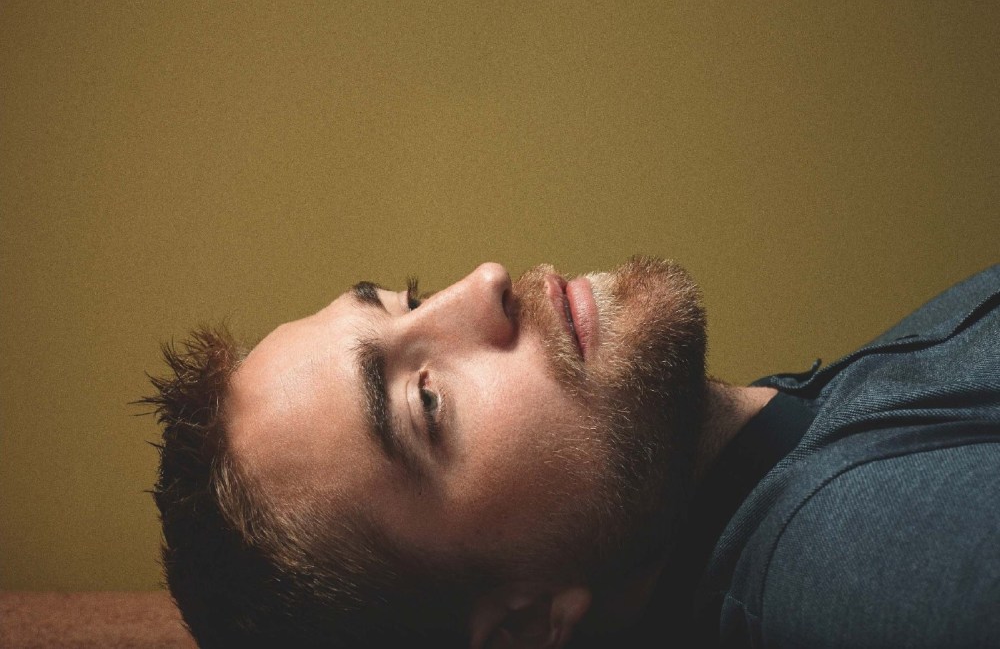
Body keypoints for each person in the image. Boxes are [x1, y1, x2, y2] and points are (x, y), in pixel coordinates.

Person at [143, 257, 1000, 648]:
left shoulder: (769, 452)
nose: (484, 284)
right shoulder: (866, 564)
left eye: (406, 300)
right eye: (427, 401)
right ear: (522, 626)